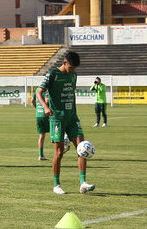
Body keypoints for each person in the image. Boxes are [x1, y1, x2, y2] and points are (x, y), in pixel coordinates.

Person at [37, 51, 95, 195]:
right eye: (70, 68)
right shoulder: (52, 74)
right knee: (59, 151)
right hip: (57, 117)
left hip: (72, 117)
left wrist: (74, 112)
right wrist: (45, 107)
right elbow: (39, 92)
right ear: (64, 63)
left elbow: (72, 93)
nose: (72, 71)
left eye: (75, 69)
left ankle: (83, 183)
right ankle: (56, 185)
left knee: (82, 146)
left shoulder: (73, 75)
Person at [31, 88, 49, 161]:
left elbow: (32, 100)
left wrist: (37, 108)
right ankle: (60, 149)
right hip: (46, 115)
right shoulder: (47, 90)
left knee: (41, 136)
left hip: (38, 115)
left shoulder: (37, 89)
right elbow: (47, 100)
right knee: (56, 132)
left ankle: (40, 155)